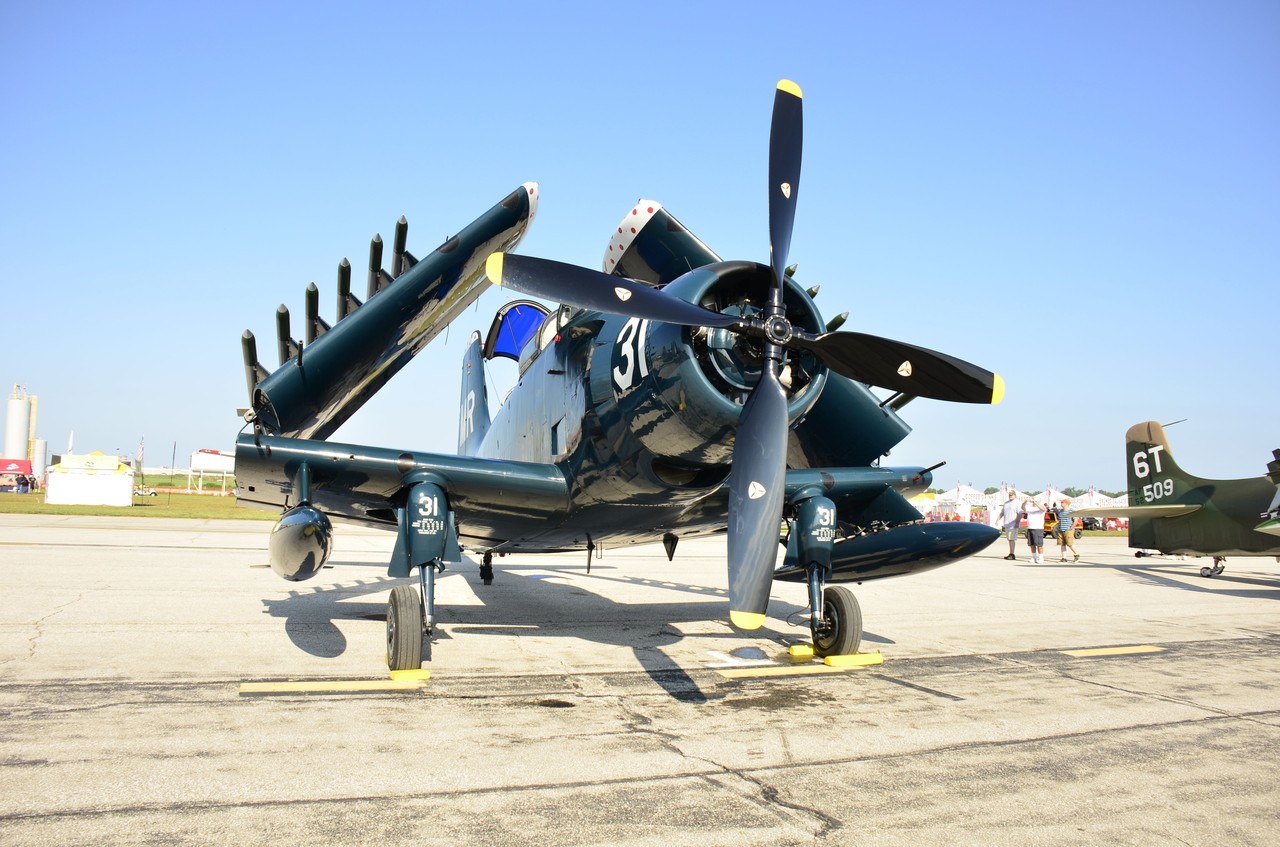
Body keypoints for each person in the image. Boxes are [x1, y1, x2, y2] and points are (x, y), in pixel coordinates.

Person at [996, 491, 1021, 560]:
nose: (1010, 496)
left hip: (1013, 524)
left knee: (1011, 539)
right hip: (1007, 524)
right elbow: (1002, 513)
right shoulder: (1006, 503)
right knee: (1009, 539)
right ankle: (1011, 553)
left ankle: (1012, 554)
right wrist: (997, 520)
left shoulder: (1017, 502)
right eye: (1009, 495)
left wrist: (1017, 522)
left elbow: (1020, 513)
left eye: (1012, 495)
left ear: (1015, 495)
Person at [1022, 498, 1048, 563]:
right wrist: (1024, 502)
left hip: (1038, 528)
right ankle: (1034, 557)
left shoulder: (1041, 507)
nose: (1033, 502)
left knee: (1039, 544)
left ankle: (1041, 558)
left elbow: (1044, 509)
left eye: (1035, 501)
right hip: (1030, 527)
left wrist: (1036, 502)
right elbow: (1023, 507)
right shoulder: (1030, 508)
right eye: (1033, 501)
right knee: (1032, 544)